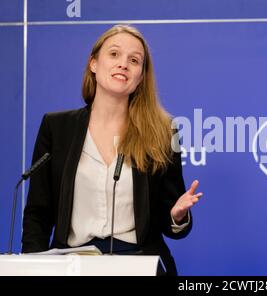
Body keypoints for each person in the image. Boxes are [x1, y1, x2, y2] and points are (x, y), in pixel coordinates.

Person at [21, 24, 202, 275]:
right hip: (72, 264)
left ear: (140, 77)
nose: (123, 64)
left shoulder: (163, 132)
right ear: (93, 64)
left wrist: (177, 216)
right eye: (114, 54)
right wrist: (32, 268)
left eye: (134, 60)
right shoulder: (56, 128)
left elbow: (168, 220)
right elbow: (38, 214)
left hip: (139, 262)